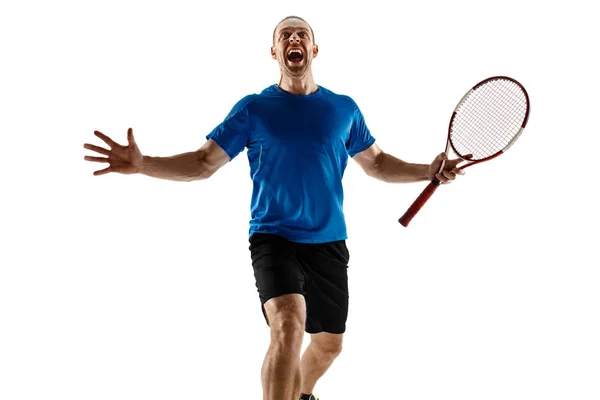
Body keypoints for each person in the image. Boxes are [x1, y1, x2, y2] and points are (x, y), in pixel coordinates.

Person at [83, 15, 465, 400]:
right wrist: (143, 163)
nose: (293, 38)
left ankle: (302, 394)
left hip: (329, 240)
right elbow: (202, 163)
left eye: (302, 34)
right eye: (285, 35)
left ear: (314, 50)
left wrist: (426, 170)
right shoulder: (254, 109)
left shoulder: (343, 109)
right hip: (273, 237)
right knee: (288, 326)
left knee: (330, 345)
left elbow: (378, 164)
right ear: (275, 52)